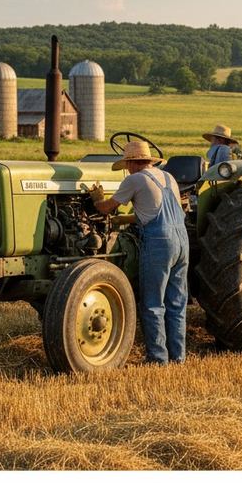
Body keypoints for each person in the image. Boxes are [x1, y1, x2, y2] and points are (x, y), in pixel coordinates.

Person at [91, 140, 189, 365]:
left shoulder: (134, 179)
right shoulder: (169, 178)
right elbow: (155, 209)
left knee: (153, 302)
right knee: (176, 302)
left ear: (132, 163)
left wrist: (97, 200)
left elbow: (107, 208)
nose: (127, 168)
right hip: (182, 240)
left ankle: (157, 358)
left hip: (159, 241)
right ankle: (178, 357)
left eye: (127, 164)